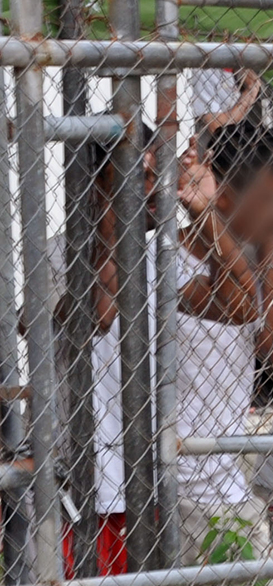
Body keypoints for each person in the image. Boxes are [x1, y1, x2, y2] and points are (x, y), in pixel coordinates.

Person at [174, 122, 273, 565]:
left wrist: (269, 246)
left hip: (227, 486)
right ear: (225, 194)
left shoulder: (258, 264)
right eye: (270, 200)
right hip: (179, 490)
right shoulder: (165, 259)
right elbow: (237, 305)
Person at [47, 128, 156, 576]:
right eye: (137, 176)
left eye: (152, 176)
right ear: (97, 185)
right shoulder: (57, 255)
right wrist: (115, 220)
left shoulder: (161, 257)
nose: (151, 190)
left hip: (145, 481)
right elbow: (100, 315)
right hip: (83, 482)